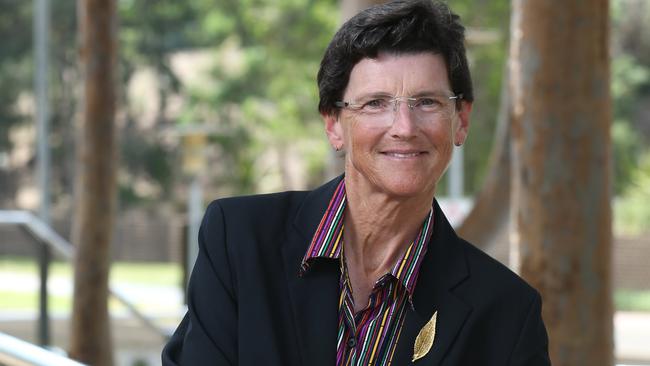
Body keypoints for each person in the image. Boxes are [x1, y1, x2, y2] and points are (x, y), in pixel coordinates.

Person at [162, 0, 550, 365]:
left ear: (460, 120)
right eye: (375, 103)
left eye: (427, 102)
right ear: (334, 124)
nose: (404, 128)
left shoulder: (507, 312)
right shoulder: (240, 240)